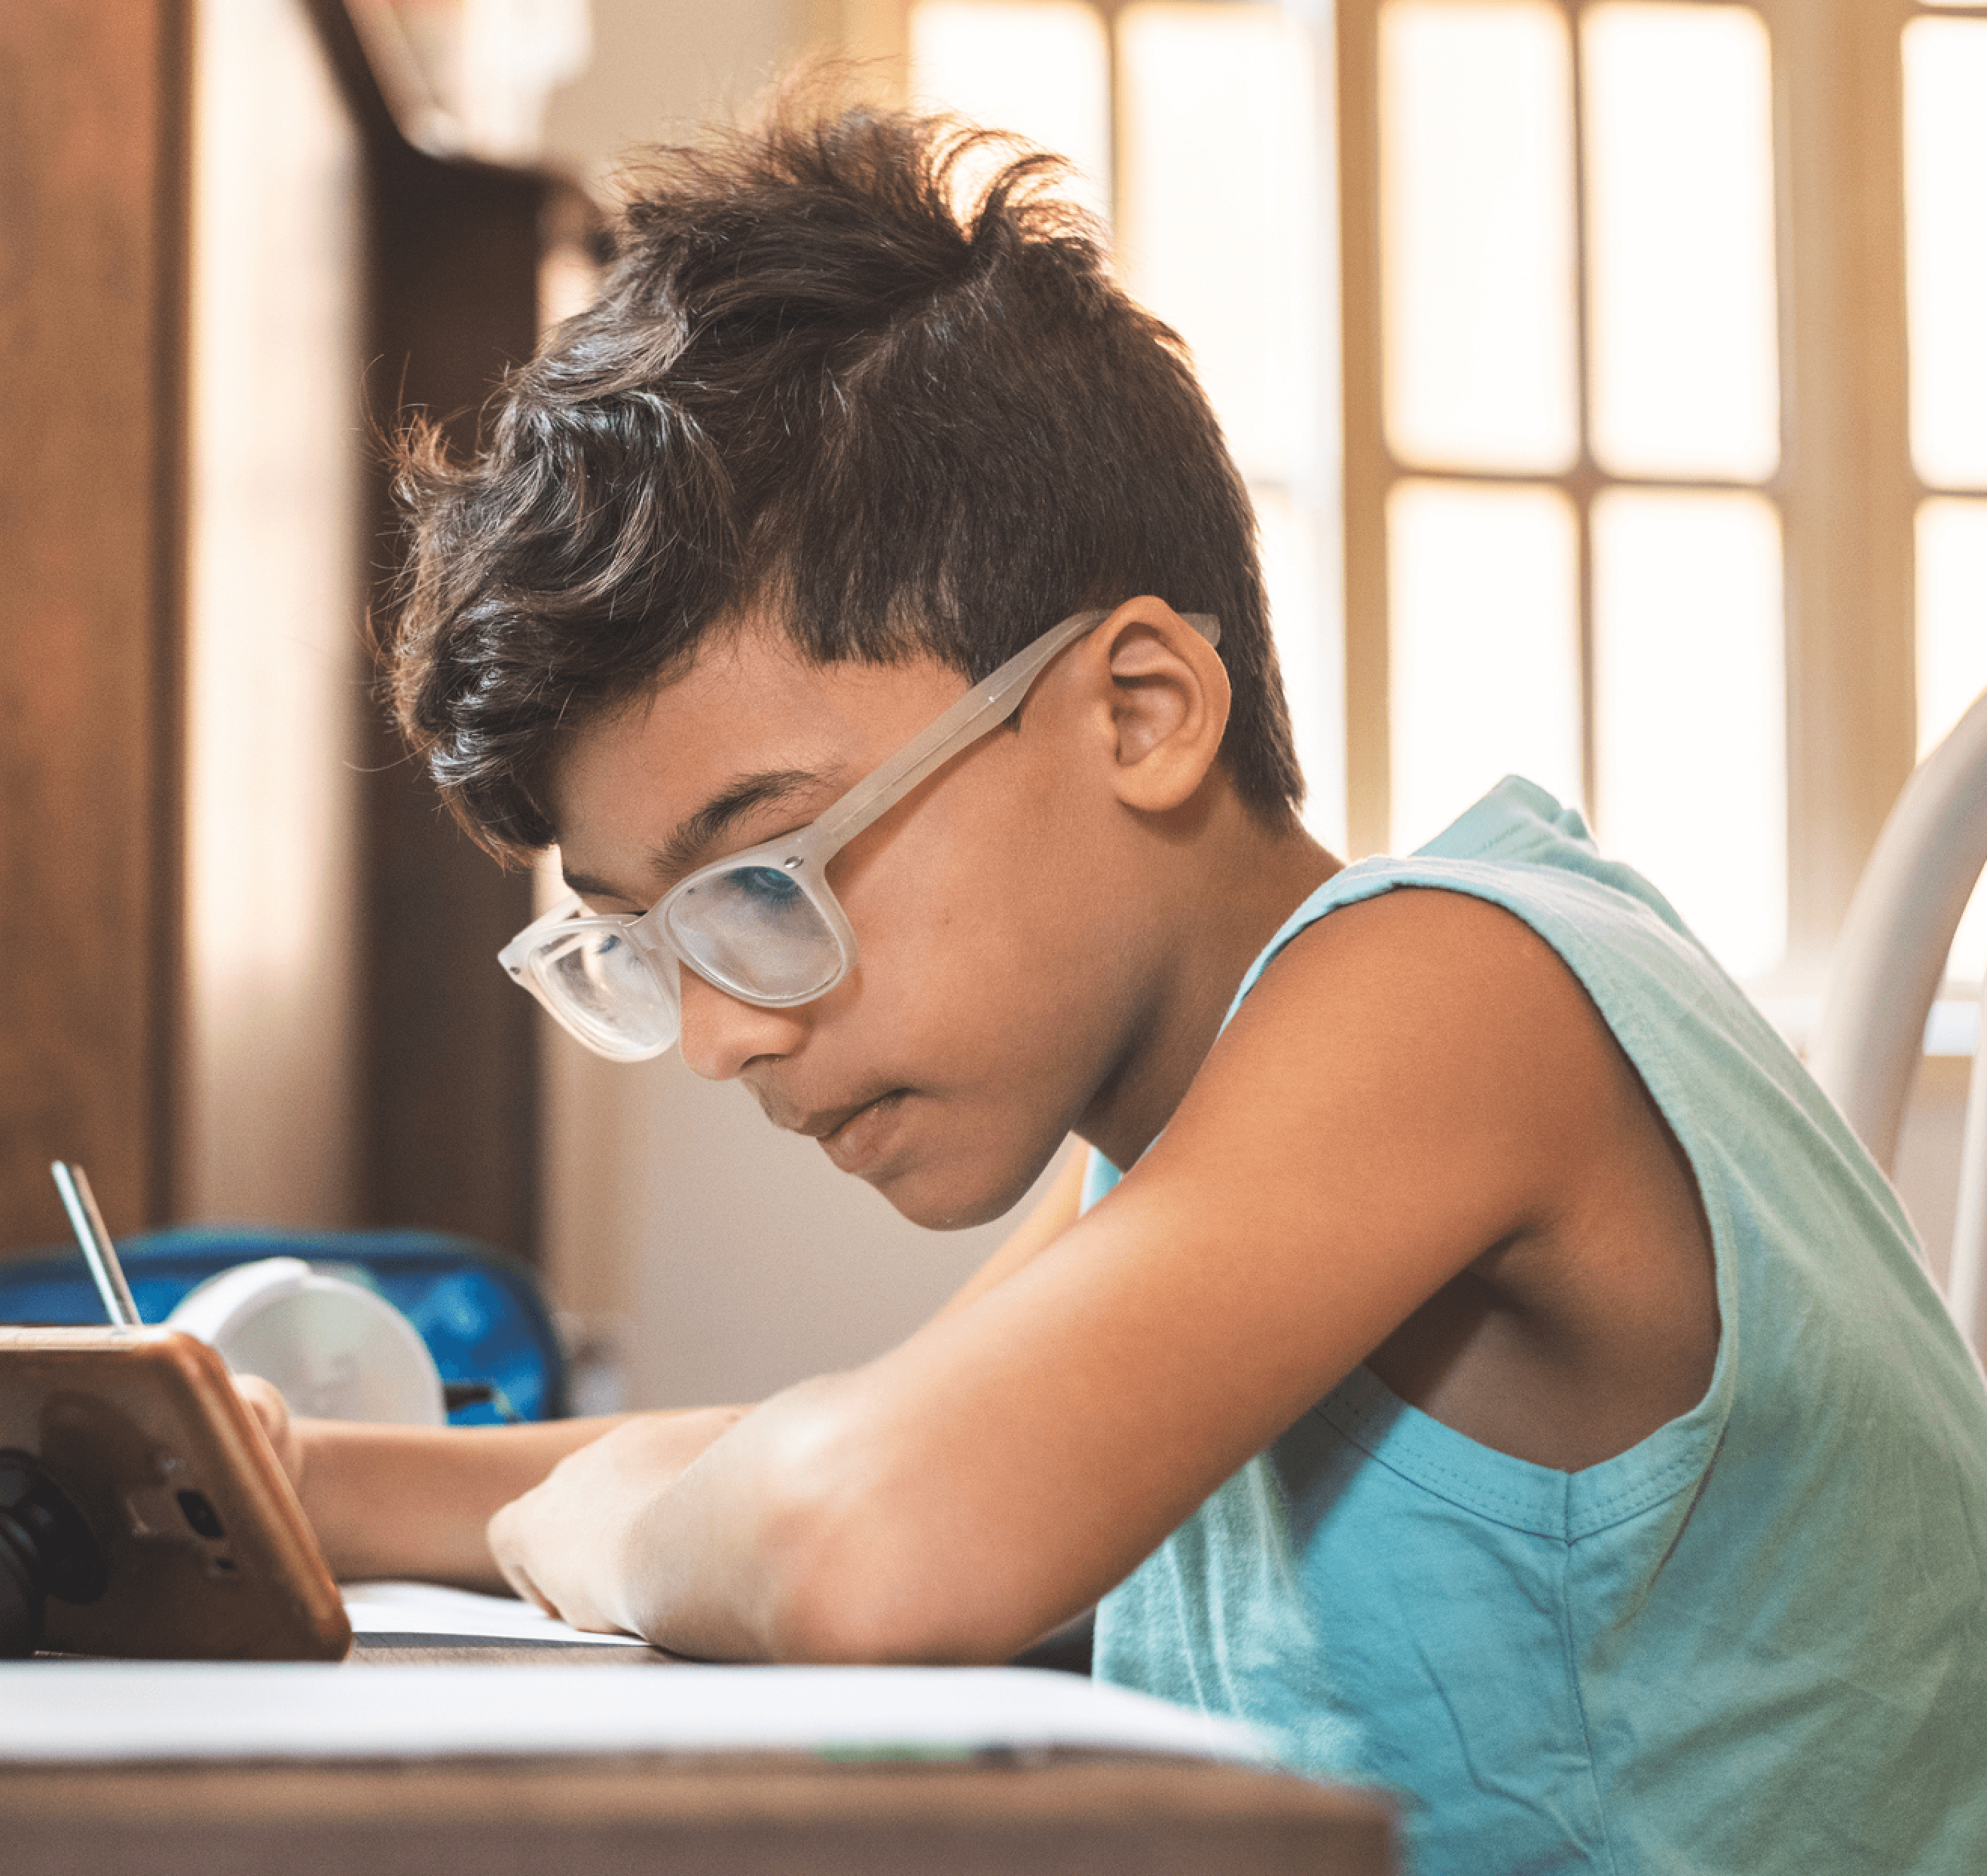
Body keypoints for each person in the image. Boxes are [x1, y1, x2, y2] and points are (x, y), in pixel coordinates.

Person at [238, 99, 1987, 1874]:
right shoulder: (1182, 1133)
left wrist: (597, 1523)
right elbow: (870, 1440)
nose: (721, 1032)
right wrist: (303, 1479)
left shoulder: (1451, 988)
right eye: (642, 941)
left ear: (1141, 711)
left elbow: (874, 1530)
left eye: (761, 880)